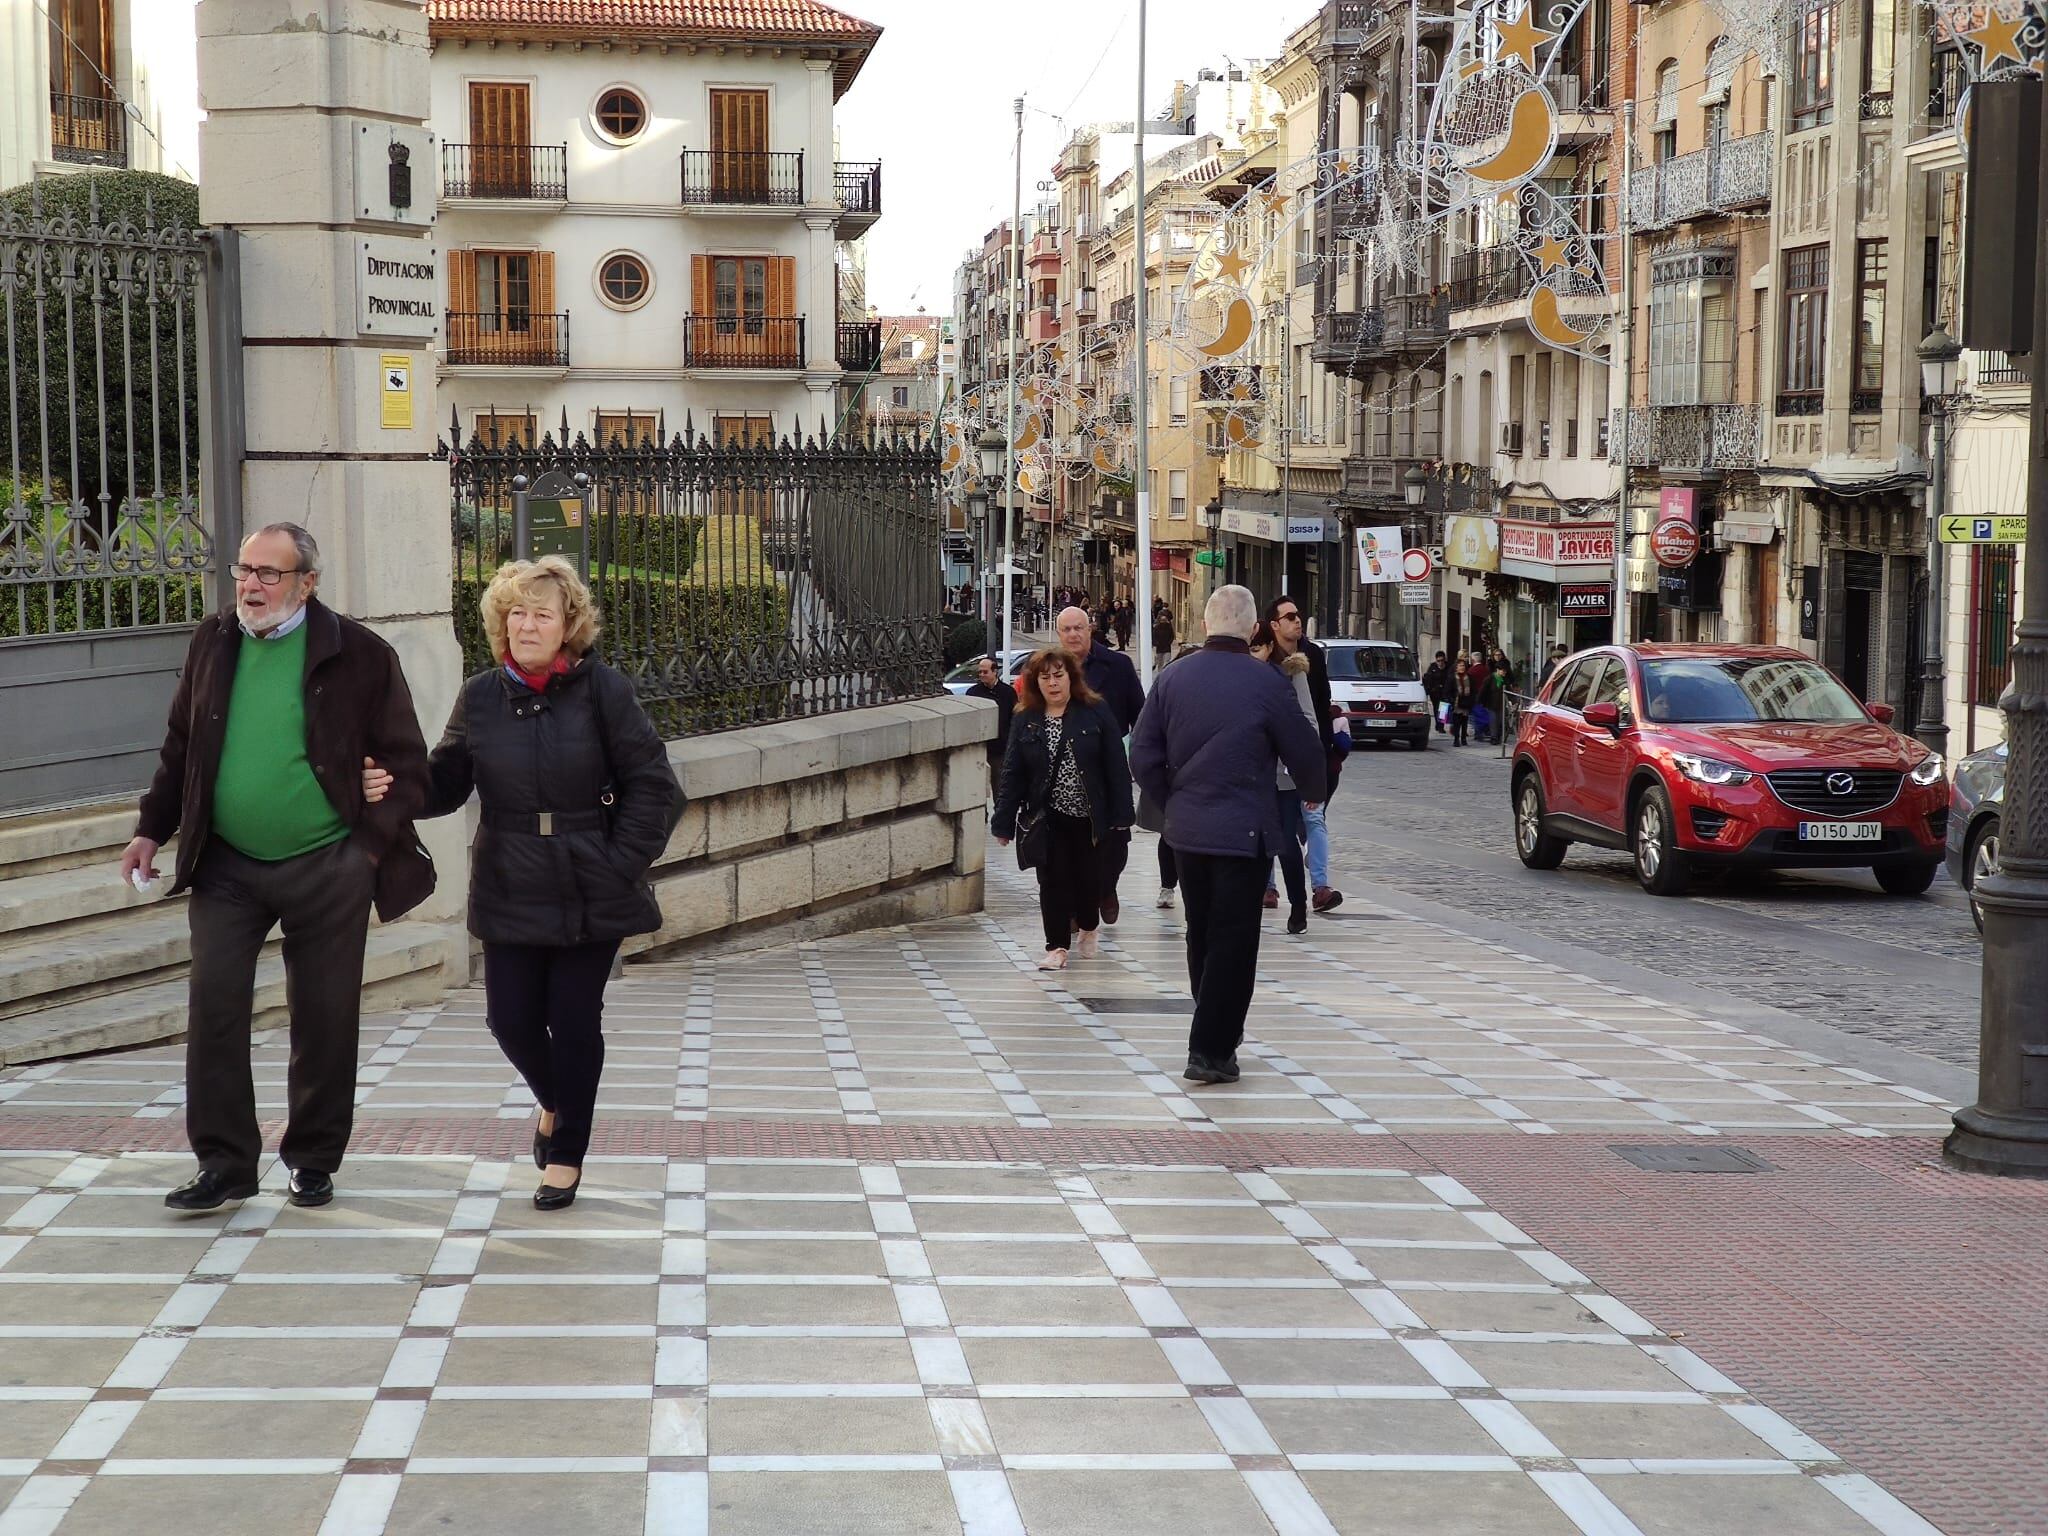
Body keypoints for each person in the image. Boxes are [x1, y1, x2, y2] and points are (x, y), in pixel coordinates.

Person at [123, 523, 437, 1213]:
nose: (252, 585)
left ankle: (314, 1159)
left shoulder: (359, 653)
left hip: (328, 864)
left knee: (324, 1017)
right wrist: (151, 828)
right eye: (244, 569)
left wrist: (370, 836)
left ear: (307, 584)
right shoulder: (214, 641)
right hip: (227, 864)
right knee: (215, 1010)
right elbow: (181, 746)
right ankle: (225, 1164)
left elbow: (410, 768)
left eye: (270, 573)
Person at [364, 556, 682, 1210]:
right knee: (509, 1019)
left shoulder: (604, 691)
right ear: (500, 623)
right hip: (509, 875)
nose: (528, 624)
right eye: (517, 613)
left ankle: (566, 1153)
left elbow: (655, 788)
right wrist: (394, 785)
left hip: (589, 879)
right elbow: (447, 781)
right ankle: (552, 1101)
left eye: (542, 613)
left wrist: (618, 862)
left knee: (572, 1020)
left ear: (569, 625)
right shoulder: (481, 695)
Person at [1130, 585, 1325, 1085]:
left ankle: (1214, 1026)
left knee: (1203, 931)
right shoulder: (1267, 683)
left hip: (1188, 832)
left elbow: (1142, 754)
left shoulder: (1172, 679)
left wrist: (1173, 801)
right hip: (1245, 829)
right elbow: (1306, 754)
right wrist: (1311, 789)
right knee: (1234, 941)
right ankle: (1211, 1048)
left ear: (1203, 625)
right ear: (1252, 629)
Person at [990, 648, 1134, 971]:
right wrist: (1002, 823)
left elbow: (1116, 766)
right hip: (1046, 816)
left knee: (1089, 879)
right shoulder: (1026, 718)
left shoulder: (1095, 711)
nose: (1053, 683)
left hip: (1090, 816)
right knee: (1052, 883)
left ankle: (1088, 924)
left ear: (1071, 678)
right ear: (1035, 682)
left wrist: (1123, 815)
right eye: (1045, 677)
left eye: (1059, 675)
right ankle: (1056, 946)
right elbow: (1012, 771)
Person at [1045, 604, 1144, 922]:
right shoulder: (1048, 671)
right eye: (1066, 629)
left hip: (1108, 770)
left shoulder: (1118, 666)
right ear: (1058, 634)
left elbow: (1140, 717)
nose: (1073, 634)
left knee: (1114, 843)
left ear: (1090, 629)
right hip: (1062, 773)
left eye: (1079, 628)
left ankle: (1106, 888)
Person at [1261, 596, 1342, 914]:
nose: (1298, 620)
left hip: (1306, 755)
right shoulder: (1262, 658)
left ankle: (1320, 888)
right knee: (1271, 821)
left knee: (1313, 817)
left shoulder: (1309, 657)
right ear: (1274, 625)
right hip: (1269, 760)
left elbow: (1318, 709)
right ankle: (1268, 887)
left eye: (1299, 615)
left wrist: (1320, 753)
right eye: (1290, 616)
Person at [1251, 621, 1314, 935]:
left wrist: (1307, 772)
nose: (1255, 654)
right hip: (1252, 777)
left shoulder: (1288, 675)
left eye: (1259, 647)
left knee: (1286, 842)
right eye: (1250, 648)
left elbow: (1306, 724)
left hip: (1284, 777)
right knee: (1257, 842)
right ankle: (1256, 899)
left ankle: (1299, 905)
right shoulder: (1241, 679)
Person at [964, 653, 1016, 799]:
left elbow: (1014, 719)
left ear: (994, 672)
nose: (981, 675)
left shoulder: (1008, 692)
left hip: (999, 749)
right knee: (976, 787)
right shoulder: (973, 692)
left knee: (999, 786)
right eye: (979, 672)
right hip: (979, 747)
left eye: (985, 672)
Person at [1422, 651, 1451, 735]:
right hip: (1435, 692)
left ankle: (1441, 726)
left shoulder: (1448, 667)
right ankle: (1438, 724)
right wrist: (1429, 689)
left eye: (1442, 660)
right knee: (1436, 708)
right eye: (1438, 661)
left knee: (1443, 708)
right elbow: (1428, 678)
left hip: (1445, 691)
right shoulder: (1432, 667)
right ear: (1436, 660)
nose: (1440, 662)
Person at [1449, 660, 1476, 746]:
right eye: (1460, 666)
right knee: (1456, 722)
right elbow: (1447, 691)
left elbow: (1473, 690)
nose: (1462, 667)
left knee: (1464, 722)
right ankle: (1456, 739)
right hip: (1456, 703)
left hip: (1466, 702)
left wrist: (1472, 700)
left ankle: (1464, 739)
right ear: (1456, 667)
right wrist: (1451, 699)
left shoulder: (1469, 677)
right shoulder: (1452, 678)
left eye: (1463, 666)